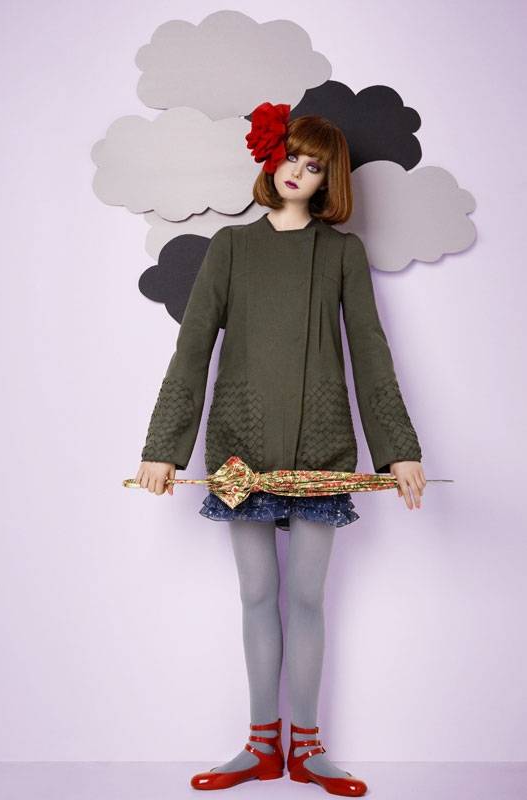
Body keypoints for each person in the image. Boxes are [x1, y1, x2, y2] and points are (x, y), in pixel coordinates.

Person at [135, 102, 426, 796]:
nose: (299, 171)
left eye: (315, 165)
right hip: (241, 446)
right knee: (257, 593)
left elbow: (371, 354)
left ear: (329, 180)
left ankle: (309, 748)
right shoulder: (231, 248)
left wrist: (398, 451)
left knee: (306, 596)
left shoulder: (341, 254)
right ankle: (261, 745)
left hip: (320, 447)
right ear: (272, 160)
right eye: (293, 156)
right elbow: (191, 350)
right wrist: (163, 447)